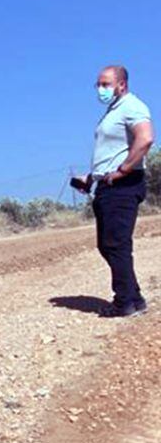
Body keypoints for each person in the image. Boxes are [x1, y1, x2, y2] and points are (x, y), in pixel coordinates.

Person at [76, 64, 154, 316]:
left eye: (106, 84)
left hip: (123, 185)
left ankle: (124, 303)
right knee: (108, 245)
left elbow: (145, 139)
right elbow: (112, 151)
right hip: (106, 185)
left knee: (116, 244)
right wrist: (92, 177)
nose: (100, 89)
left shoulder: (133, 106)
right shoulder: (114, 111)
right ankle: (134, 298)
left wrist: (123, 170)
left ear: (122, 84)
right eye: (98, 85)